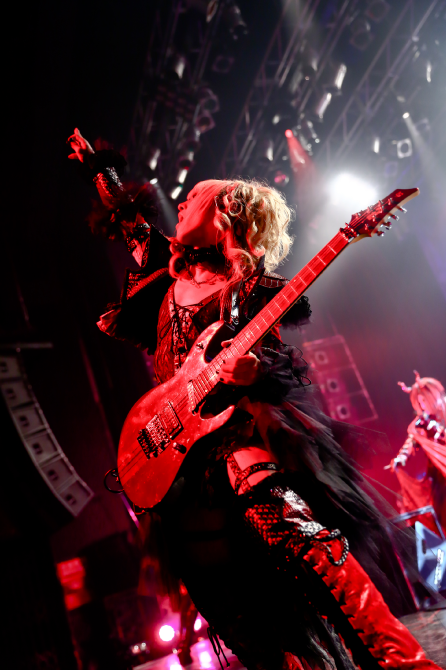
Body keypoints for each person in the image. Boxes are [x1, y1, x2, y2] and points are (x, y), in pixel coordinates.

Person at [68, 127, 440, 670]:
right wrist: (100, 171)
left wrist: (252, 369)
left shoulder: (250, 291)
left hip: (234, 433)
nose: (181, 200)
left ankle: (400, 658)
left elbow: (280, 363)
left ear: (224, 216)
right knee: (232, 597)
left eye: (196, 195)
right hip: (176, 456)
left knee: (304, 539)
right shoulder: (159, 275)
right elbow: (129, 219)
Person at [389, 372, 446, 536]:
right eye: (419, 402)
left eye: (424, 400)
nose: (422, 405)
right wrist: (401, 458)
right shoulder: (421, 424)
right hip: (440, 477)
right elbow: (411, 442)